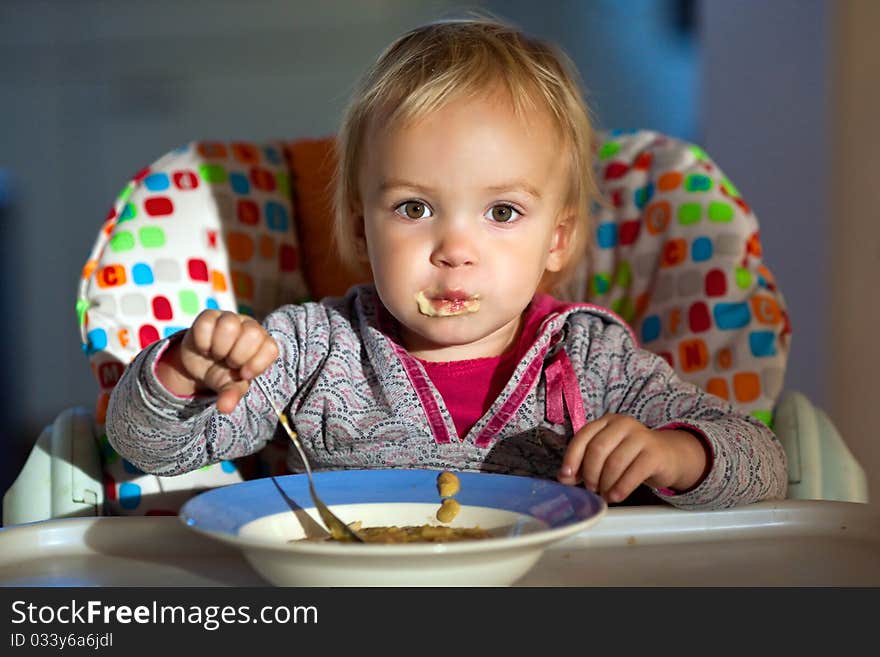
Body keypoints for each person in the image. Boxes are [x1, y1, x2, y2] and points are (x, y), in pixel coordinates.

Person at [106, 18, 787, 510]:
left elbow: (762, 464)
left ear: (558, 239)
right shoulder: (311, 350)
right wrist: (181, 375)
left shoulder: (589, 360)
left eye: (501, 213)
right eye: (413, 208)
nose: (454, 248)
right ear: (357, 227)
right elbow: (149, 446)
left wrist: (674, 454)